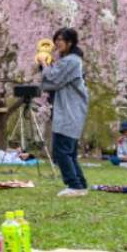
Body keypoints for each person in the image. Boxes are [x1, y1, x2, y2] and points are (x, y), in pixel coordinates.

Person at [41, 27, 90, 197]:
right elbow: (52, 81)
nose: (57, 43)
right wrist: (48, 67)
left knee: (61, 151)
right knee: (69, 151)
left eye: (61, 39)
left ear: (70, 42)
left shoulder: (71, 61)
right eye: (56, 39)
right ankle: (80, 184)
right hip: (72, 109)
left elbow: (53, 79)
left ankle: (74, 186)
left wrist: (44, 64)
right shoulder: (70, 61)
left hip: (70, 110)